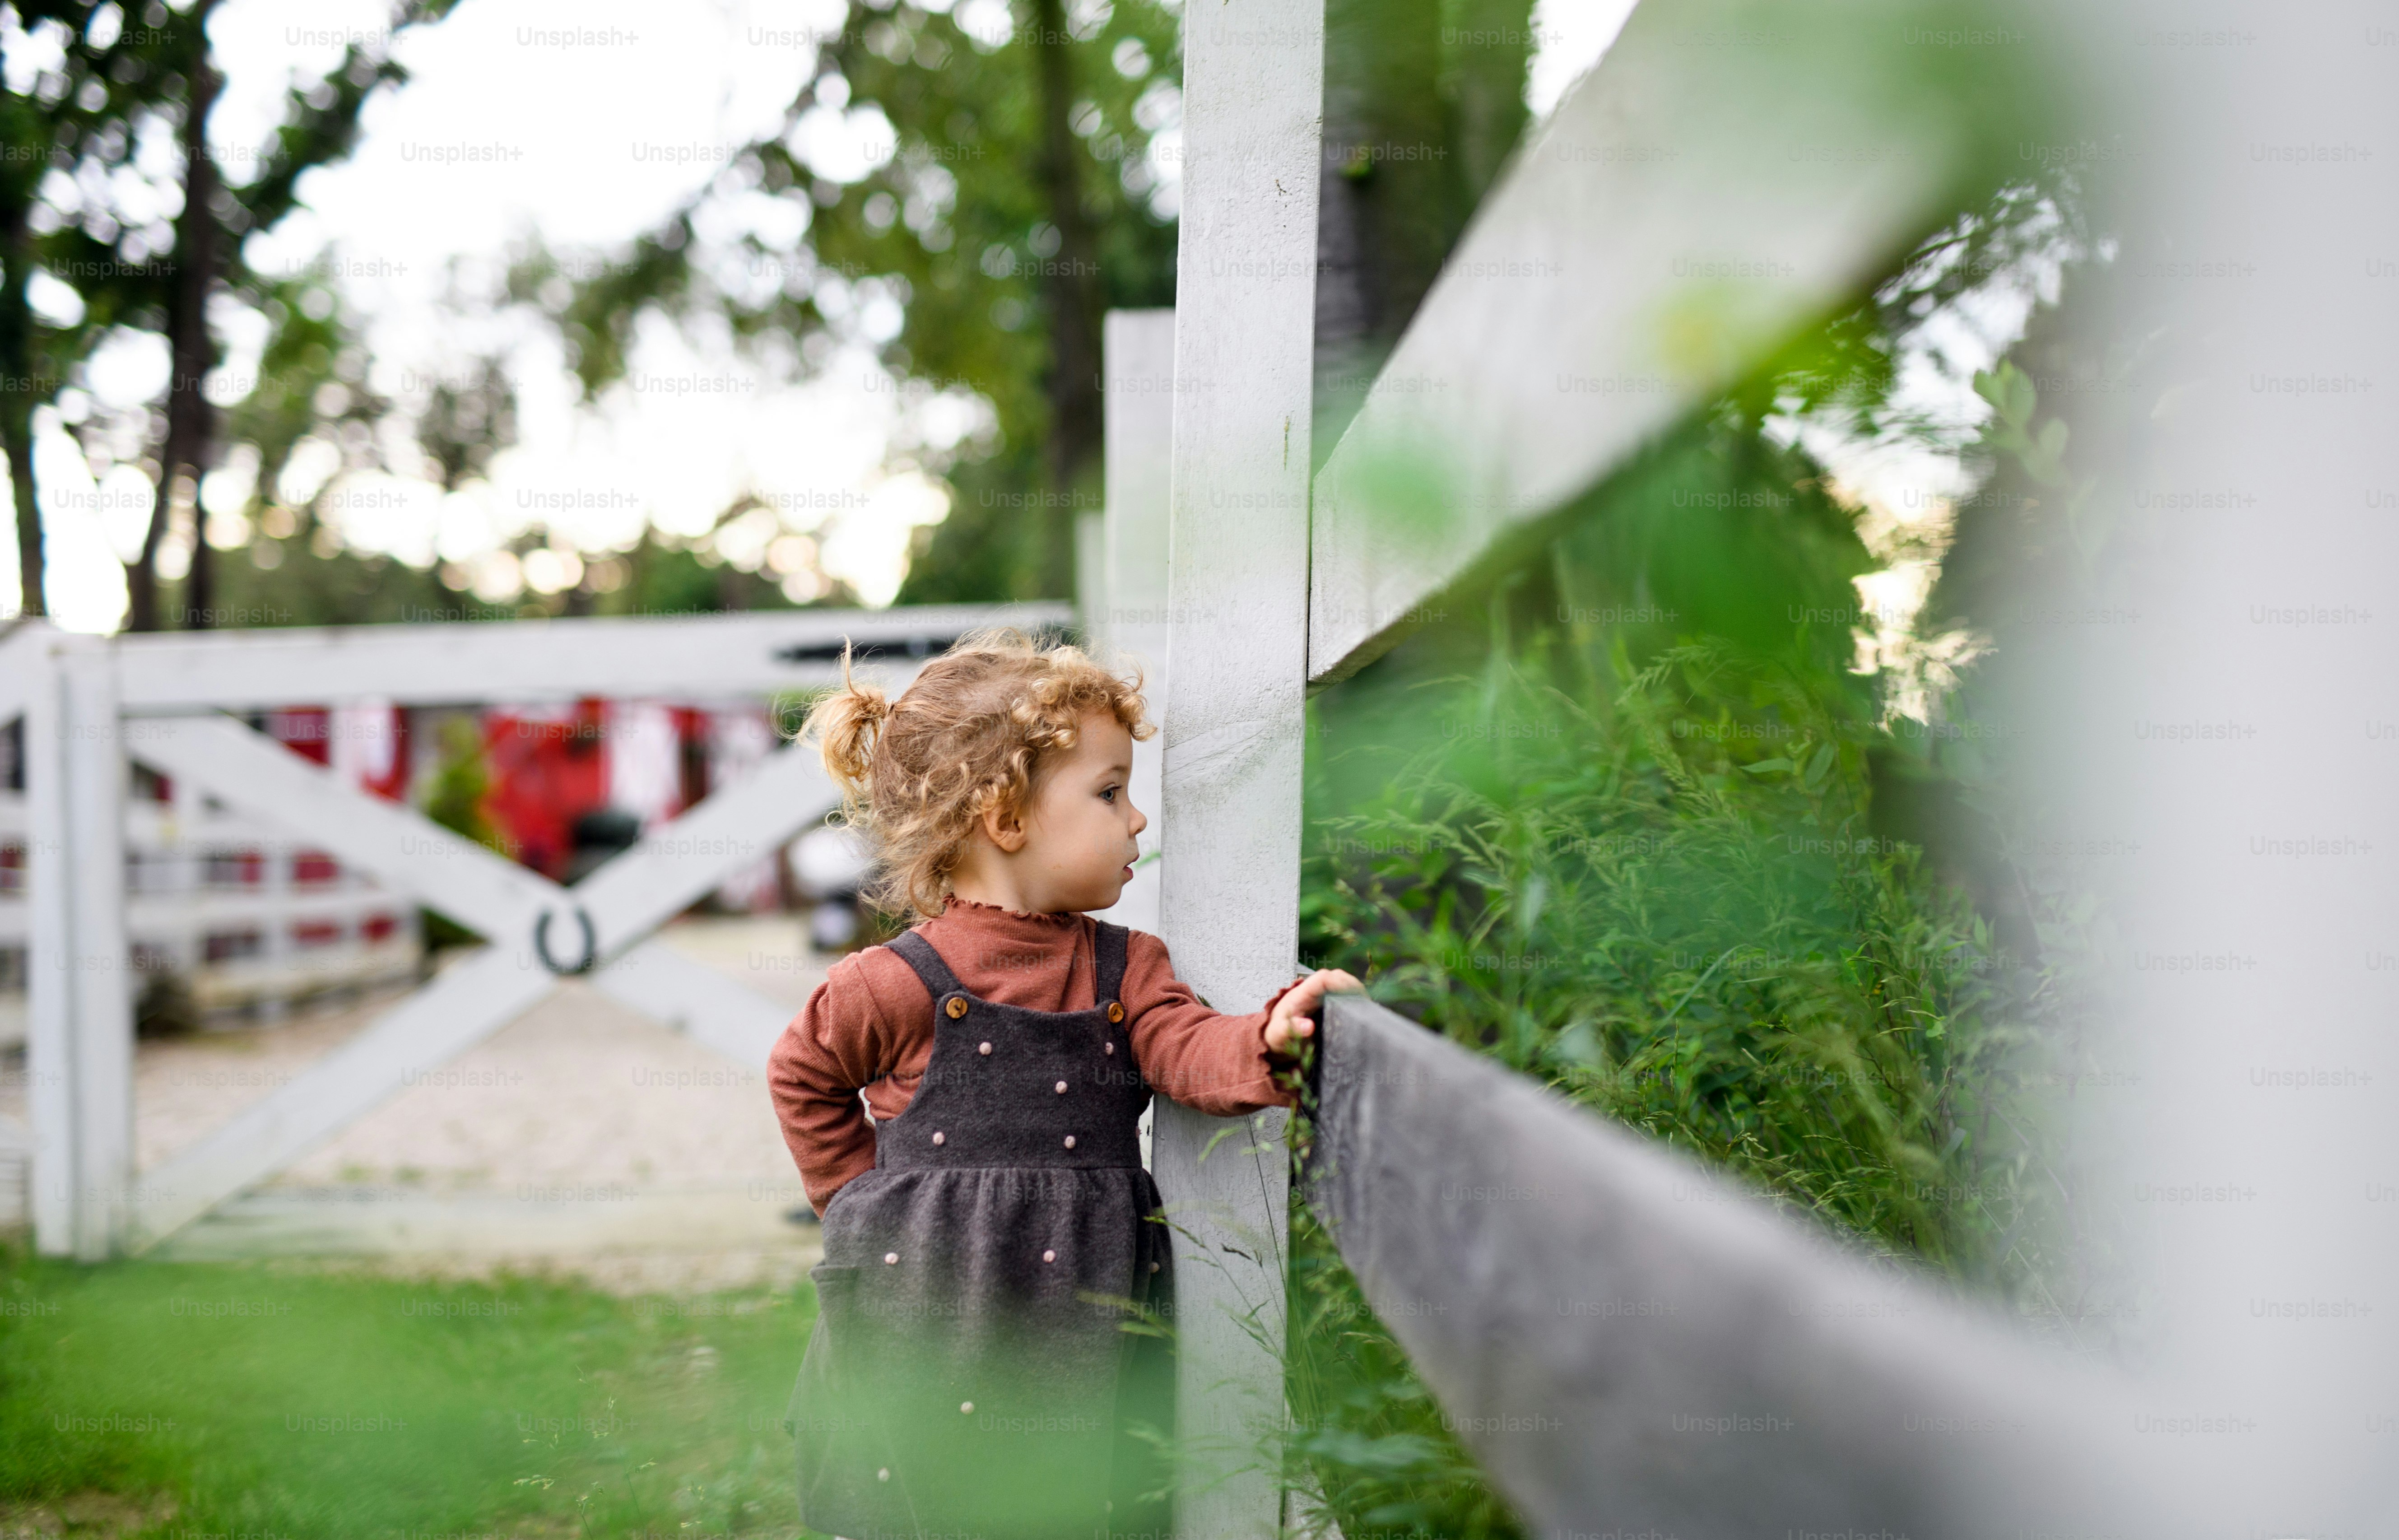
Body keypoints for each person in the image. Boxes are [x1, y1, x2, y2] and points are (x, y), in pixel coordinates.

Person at [768, 628, 1359, 1540]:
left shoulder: (1126, 967)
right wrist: (855, 1204)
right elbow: (801, 1072)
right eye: (1109, 791)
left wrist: (1269, 1041)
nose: (1137, 820)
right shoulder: (892, 980)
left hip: (1084, 1311)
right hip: (922, 1299)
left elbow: (1188, 1046)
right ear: (1007, 816)